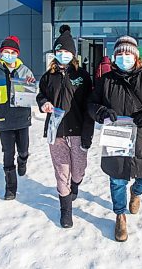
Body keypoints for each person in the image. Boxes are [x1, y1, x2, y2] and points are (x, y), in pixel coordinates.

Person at [88, 36, 142, 242]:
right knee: (117, 180)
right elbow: (91, 104)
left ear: (136, 56)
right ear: (114, 57)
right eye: (120, 54)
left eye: (128, 53)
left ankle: (136, 192)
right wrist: (101, 111)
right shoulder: (106, 80)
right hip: (116, 137)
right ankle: (120, 215)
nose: (124, 57)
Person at [36, 29, 94, 228]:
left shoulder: (83, 76)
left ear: (73, 54)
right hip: (57, 132)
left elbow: (90, 106)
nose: (63, 55)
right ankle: (66, 211)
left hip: (78, 131)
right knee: (61, 172)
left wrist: (88, 134)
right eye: (60, 51)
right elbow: (40, 95)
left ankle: (75, 185)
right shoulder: (47, 77)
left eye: (67, 52)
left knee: (78, 171)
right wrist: (43, 103)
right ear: (55, 53)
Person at [0, 36, 35, 200]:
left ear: (17, 54)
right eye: (7, 51)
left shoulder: (25, 71)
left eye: (13, 52)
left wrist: (30, 85)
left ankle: (23, 160)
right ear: (1, 53)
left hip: (21, 118)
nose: (10, 54)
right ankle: (10, 188)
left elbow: (31, 92)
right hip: (3, 119)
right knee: (7, 154)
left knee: (23, 150)